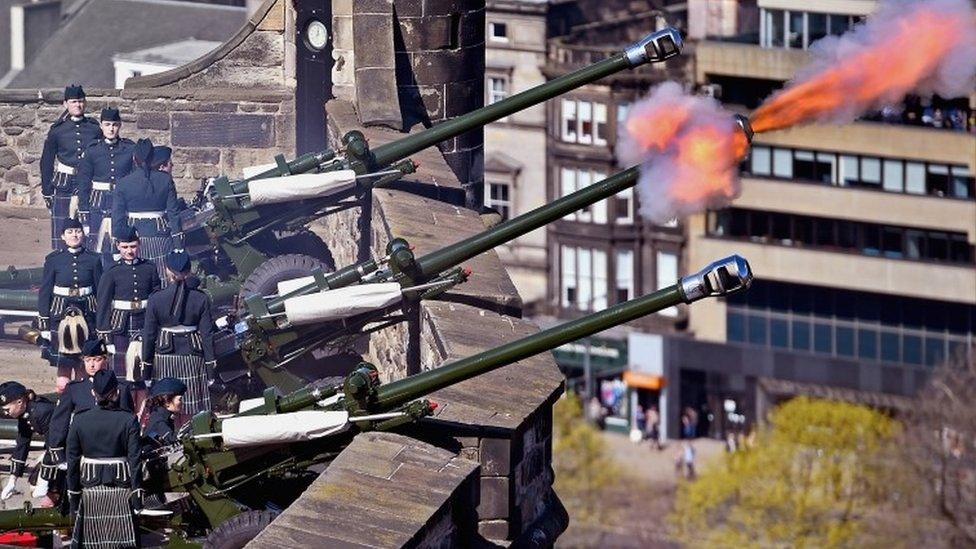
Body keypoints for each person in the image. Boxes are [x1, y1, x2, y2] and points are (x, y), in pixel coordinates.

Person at [66, 369, 141, 548]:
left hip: (90, 488)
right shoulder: (129, 420)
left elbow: (73, 461)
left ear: (93, 393)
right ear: (117, 393)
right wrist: (137, 495)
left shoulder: (79, 420)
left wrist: (74, 496)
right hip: (121, 489)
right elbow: (135, 460)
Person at [143, 251, 215, 425]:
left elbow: (149, 335)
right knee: (193, 409)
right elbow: (207, 335)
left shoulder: (155, 298)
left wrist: (146, 369)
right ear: (189, 271)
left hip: (164, 355)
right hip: (193, 356)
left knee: (165, 406)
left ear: (167, 270)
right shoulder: (201, 298)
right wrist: (211, 370)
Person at [38, 218, 103, 391]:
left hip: (87, 313)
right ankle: (64, 403)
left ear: (83, 234)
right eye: (70, 232)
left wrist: (102, 321)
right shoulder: (53, 259)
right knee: (64, 366)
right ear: (62, 236)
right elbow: (45, 291)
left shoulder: (94, 259)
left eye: (78, 231)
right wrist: (44, 324)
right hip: (60, 314)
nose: (74, 235)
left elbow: (100, 291)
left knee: (84, 363)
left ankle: (81, 404)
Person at [40, 84, 101, 251]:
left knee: (88, 225)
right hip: (64, 183)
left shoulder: (95, 128)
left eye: (81, 101)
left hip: (88, 183)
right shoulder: (57, 131)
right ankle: (61, 263)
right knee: (62, 227)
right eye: (74, 102)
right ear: (65, 104)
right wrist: (46, 190)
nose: (78, 105)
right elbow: (46, 161)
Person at [96, 227, 160, 382]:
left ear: (139, 244)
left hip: (145, 321)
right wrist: (106, 339)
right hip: (121, 325)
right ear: (117, 246)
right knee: (122, 372)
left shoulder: (149, 268)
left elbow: (157, 296)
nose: (129, 251)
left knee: (146, 368)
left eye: (133, 246)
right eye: (125, 247)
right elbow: (103, 305)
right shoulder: (112, 271)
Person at [112, 139, 181, 283]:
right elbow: (174, 214)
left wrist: (116, 247)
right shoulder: (166, 180)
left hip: (133, 234)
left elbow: (117, 217)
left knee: (135, 277)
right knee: (161, 277)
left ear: (133, 159)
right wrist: (179, 246)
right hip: (160, 233)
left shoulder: (123, 182)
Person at [75, 108, 135, 266]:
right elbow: (84, 184)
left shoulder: (129, 149)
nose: (111, 128)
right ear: (101, 126)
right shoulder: (92, 150)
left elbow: (135, 178)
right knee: (95, 246)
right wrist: (83, 212)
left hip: (122, 201)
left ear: (120, 126)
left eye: (115, 124)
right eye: (107, 124)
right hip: (98, 201)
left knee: (121, 244)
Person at [0, 382, 58, 506]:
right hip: (56, 450)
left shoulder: (41, 411)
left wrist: (44, 480)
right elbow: (22, 444)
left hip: (69, 450)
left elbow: (54, 444)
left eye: (7, 409)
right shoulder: (26, 412)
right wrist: (12, 480)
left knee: (44, 485)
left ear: (20, 402)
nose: (6, 413)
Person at [143, 378, 186, 446]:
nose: (182, 403)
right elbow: (173, 440)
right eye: (179, 400)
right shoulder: (159, 422)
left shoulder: (160, 414)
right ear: (167, 402)